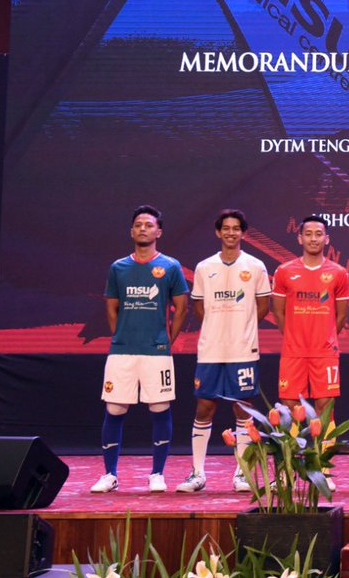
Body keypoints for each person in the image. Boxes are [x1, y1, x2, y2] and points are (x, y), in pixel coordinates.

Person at [91, 205, 189, 493]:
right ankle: (110, 474)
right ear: (131, 231)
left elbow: (181, 308)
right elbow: (112, 308)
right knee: (114, 408)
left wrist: (166, 341)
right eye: (138, 225)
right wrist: (122, 336)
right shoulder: (118, 267)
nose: (143, 228)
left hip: (156, 352)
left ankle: (157, 473)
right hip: (122, 352)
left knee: (160, 408)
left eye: (149, 225)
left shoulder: (170, 266)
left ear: (159, 231)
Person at [177, 209, 271, 493]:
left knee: (243, 408)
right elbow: (199, 306)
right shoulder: (205, 267)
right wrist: (219, 326)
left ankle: (242, 474)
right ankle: (197, 473)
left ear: (243, 233)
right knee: (205, 406)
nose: (231, 233)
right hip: (211, 351)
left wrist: (240, 326)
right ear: (219, 233)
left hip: (243, 350)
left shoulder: (256, 266)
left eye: (236, 228)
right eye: (226, 228)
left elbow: (262, 305)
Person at [271, 215, 349, 491]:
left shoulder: (338, 273)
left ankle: (323, 468)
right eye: (309, 234)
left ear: (327, 239)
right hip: (293, 353)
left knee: (324, 409)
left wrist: (324, 338)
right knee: (290, 409)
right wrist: (295, 336)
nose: (314, 238)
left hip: (325, 353)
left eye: (319, 234)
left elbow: (340, 317)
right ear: (300, 238)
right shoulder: (284, 272)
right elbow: (278, 313)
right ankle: (288, 468)